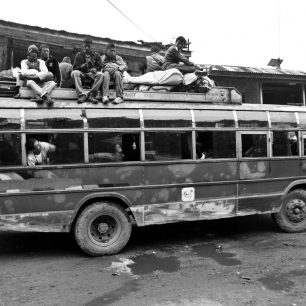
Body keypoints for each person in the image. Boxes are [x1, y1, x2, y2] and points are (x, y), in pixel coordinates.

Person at [72, 36, 104, 104]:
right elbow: (74, 67)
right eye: (85, 46)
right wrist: (81, 66)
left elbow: (100, 66)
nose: (87, 48)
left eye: (88, 46)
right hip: (82, 73)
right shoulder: (79, 54)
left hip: (92, 74)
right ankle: (82, 94)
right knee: (74, 73)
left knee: (100, 74)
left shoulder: (96, 55)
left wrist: (95, 69)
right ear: (83, 45)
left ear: (92, 46)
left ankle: (91, 95)